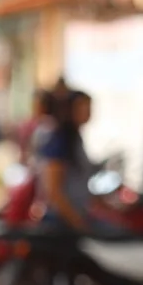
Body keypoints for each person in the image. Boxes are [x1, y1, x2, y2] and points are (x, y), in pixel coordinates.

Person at [36, 88, 109, 235]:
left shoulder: (75, 138)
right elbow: (53, 190)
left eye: (89, 108)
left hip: (76, 215)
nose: (88, 112)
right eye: (82, 108)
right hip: (61, 222)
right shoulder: (59, 140)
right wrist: (77, 222)